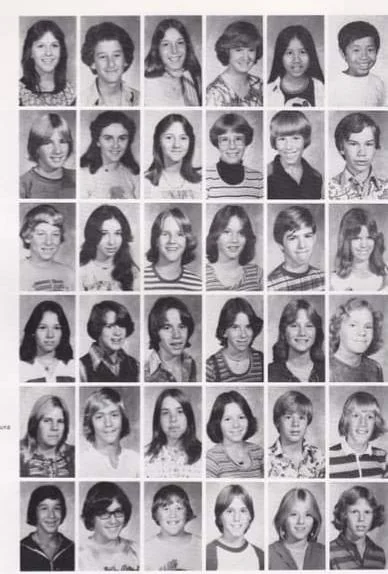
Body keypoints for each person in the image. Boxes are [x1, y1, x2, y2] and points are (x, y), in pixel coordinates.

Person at [80, 387, 139, 477]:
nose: (108, 423)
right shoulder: (82, 463)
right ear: (90, 423)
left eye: (114, 415)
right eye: (99, 417)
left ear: (123, 419)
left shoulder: (135, 459)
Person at [79, 482, 139, 571]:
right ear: (91, 517)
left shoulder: (137, 550)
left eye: (118, 512)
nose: (113, 521)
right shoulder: (80, 555)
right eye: (104, 514)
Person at [80, 111, 139, 199]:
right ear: (97, 141)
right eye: (108, 138)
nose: (116, 145)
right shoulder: (83, 176)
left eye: (122, 138)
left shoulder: (134, 175)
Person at [329, 113, 388, 201]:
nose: (362, 153)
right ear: (341, 148)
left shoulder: (385, 188)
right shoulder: (328, 189)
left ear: (375, 147)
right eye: (353, 144)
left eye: (368, 144)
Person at [79, 204, 139, 291]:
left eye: (117, 233)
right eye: (104, 233)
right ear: (93, 234)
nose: (112, 242)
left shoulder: (133, 272)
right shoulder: (81, 270)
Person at [145, 388, 202, 478]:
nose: (173, 419)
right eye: (166, 413)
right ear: (158, 420)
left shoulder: (204, 456)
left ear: (188, 417)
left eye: (180, 411)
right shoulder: (145, 457)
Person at [144, 18, 202, 106]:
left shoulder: (192, 79)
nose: (174, 50)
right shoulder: (147, 86)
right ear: (157, 49)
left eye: (180, 42)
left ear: (187, 46)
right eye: (166, 44)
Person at [330, 391, 388, 479]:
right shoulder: (329, 457)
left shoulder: (384, 458)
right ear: (346, 420)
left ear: (375, 422)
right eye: (356, 415)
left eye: (369, 417)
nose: (363, 423)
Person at [206, 390, 264, 478]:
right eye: (228, 419)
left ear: (248, 419)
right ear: (218, 423)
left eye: (241, 417)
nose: (236, 424)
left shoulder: (259, 452)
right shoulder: (211, 458)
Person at [207, 484, 264, 570]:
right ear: (219, 517)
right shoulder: (207, 554)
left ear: (250, 516)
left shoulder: (260, 556)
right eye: (230, 511)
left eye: (243, 511)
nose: (237, 518)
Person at [268, 390, 325, 479]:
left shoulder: (319, 457)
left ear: (307, 422)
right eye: (288, 417)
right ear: (277, 421)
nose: (295, 424)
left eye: (301, 418)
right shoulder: (267, 459)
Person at [81, 21, 139, 106]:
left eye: (116, 55)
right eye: (103, 57)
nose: (111, 64)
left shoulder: (140, 100)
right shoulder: (81, 102)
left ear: (125, 60)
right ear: (92, 63)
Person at [267, 110, 323, 200]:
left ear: (305, 140)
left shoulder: (316, 177)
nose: (288, 146)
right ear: (275, 142)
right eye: (282, 139)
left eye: (295, 138)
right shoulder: (266, 176)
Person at [144, 114, 202, 199]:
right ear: (158, 141)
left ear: (190, 142)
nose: (176, 145)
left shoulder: (203, 180)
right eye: (169, 138)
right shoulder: (145, 182)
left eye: (183, 138)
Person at [207, 112, 263, 199]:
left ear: (246, 141)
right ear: (217, 143)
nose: (232, 146)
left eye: (238, 139)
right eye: (225, 139)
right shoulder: (205, 178)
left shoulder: (259, 179)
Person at [206, 20, 263, 107]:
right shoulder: (214, 93)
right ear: (227, 51)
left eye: (251, 50)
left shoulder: (259, 85)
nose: (246, 57)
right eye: (239, 50)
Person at [206, 297, 264, 383]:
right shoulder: (211, 367)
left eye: (248, 327)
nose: (243, 334)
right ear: (224, 332)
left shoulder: (261, 360)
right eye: (235, 327)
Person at [19, 19, 75, 106]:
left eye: (54, 45)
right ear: (30, 53)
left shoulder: (70, 92)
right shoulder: (18, 92)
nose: (48, 53)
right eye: (41, 46)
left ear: (61, 51)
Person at [206, 205, 263, 291]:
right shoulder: (204, 275)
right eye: (227, 232)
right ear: (215, 236)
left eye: (241, 233)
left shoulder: (257, 274)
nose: (234, 239)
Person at [80, 300, 139, 383]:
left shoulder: (135, 365)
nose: (118, 333)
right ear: (97, 328)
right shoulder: (81, 367)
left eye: (122, 326)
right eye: (110, 326)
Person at [145, 484, 201, 570]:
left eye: (178, 508)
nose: (173, 515)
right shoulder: (146, 549)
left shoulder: (201, 545)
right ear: (156, 514)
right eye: (166, 509)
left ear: (187, 513)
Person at [268, 206, 325, 291]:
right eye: (293, 238)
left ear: (314, 239)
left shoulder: (323, 278)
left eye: (307, 236)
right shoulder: (270, 285)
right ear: (280, 244)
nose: (302, 245)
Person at [330, 21, 386, 107]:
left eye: (370, 50)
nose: (364, 56)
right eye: (356, 50)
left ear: (377, 51)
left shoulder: (378, 83)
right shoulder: (333, 85)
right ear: (343, 53)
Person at [20, 112, 75, 199]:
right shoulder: (23, 185)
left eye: (62, 141)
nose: (58, 150)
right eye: (48, 143)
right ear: (36, 147)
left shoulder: (77, 177)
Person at [144, 207, 202, 291]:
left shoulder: (197, 285)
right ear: (156, 240)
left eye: (179, 234)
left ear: (187, 240)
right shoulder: (141, 280)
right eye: (165, 234)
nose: (172, 241)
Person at [20, 204, 74, 292]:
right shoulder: (18, 272)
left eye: (55, 234)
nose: (49, 242)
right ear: (27, 237)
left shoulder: (69, 273)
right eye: (41, 234)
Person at [331, 208, 388, 292]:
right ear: (346, 241)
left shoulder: (385, 272)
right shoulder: (334, 281)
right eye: (357, 238)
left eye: (369, 237)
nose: (364, 245)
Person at [268, 298, 325, 383]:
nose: (302, 333)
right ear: (283, 332)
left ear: (317, 331)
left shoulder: (328, 370)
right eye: (294, 326)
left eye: (309, 326)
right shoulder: (269, 373)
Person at [330, 485, 386, 569]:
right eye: (355, 512)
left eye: (367, 512)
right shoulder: (330, 552)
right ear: (344, 515)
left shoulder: (379, 554)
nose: (361, 519)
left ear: (374, 515)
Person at [329, 297, 384, 383]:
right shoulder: (327, 369)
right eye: (353, 325)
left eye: (368, 327)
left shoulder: (375, 368)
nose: (362, 332)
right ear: (338, 328)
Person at [267, 25, 324, 107]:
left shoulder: (322, 89)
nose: (296, 60)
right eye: (289, 53)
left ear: (311, 54)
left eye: (302, 52)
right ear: (280, 56)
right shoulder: (267, 92)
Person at [20, 484, 74, 571]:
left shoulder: (72, 549)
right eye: (44, 508)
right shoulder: (20, 550)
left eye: (56, 508)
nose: (51, 515)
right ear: (34, 512)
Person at [19, 300, 75, 383]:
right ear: (33, 331)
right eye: (43, 327)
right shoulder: (21, 368)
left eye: (56, 328)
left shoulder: (73, 366)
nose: (50, 335)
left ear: (63, 332)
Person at [269, 488, 325, 570]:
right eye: (294, 514)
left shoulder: (324, 553)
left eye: (308, 514)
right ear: (283, 519)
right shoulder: (269, 555)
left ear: (315, 520)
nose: (301, 521)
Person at [145, 296, 198, 383]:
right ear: (155, 332)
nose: (176, 335)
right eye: (167, 328)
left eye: (182, 326)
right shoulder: (145, 373)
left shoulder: (189, 363)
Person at [20, 394, 74, 478]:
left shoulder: (74, 455)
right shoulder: (17, 454)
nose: (55, 427)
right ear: (35, 423)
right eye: (47, 420)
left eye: (60, 421)